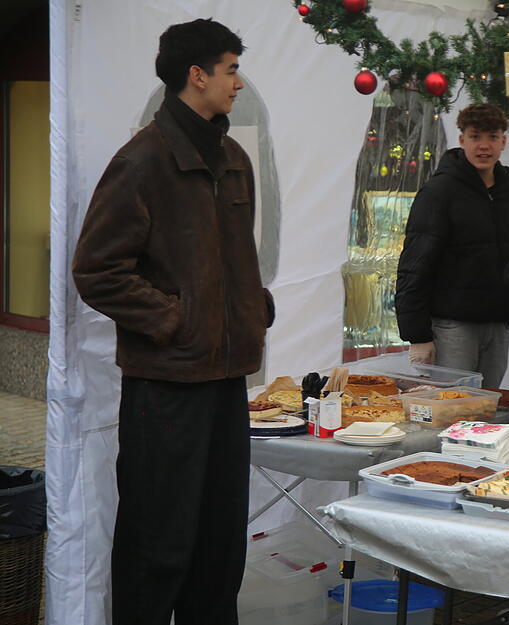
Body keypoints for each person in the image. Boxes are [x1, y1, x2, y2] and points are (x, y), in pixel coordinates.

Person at [72, 19, 273, 625]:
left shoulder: (233, 158)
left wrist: (250, 306)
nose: (238, 82)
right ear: (197, 75)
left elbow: (233, 258)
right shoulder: (141, 161)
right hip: (165, 386)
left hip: (226, 380)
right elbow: (97, 270)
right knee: (157, 546)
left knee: (219, 547)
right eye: (231, 69)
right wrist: (177, 320)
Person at [395, 103, 509, 388]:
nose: (484, 146)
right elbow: (415, 265)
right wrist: (417, 335)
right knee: (452, 405)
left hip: (497, 323)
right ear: (462, 139)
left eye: (492, 137)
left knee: (487, 406)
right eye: (475, 136)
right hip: (452, 326)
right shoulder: (439, 191)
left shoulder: (508, 192)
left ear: (503, 141)